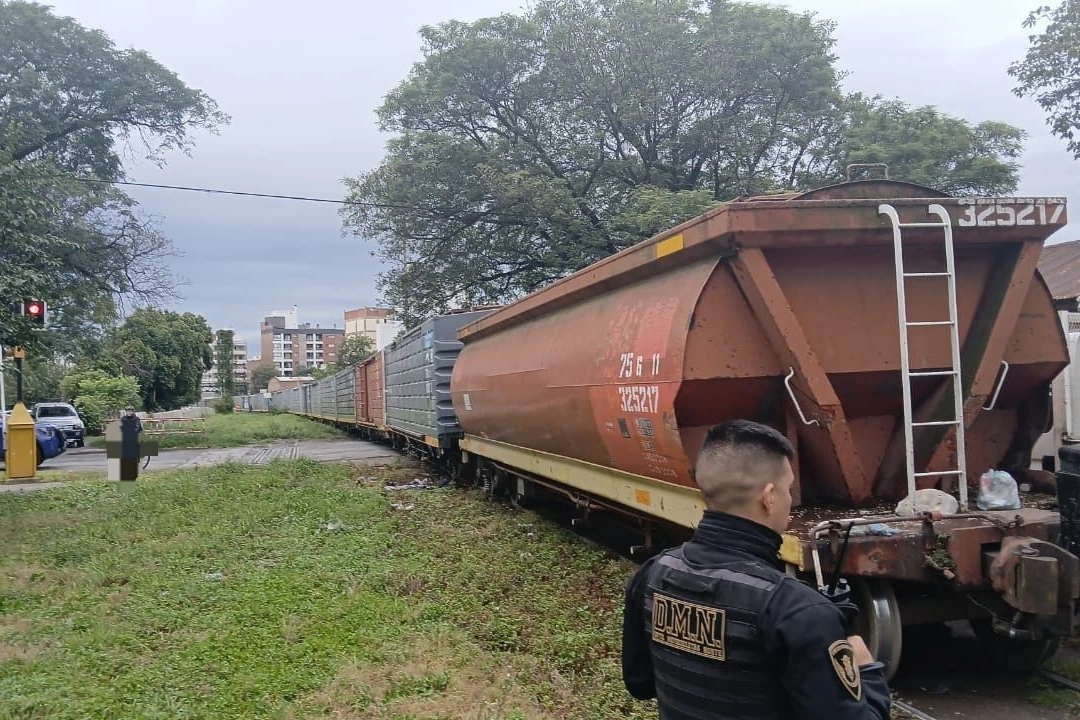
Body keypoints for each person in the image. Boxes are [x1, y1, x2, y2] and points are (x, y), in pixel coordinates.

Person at [621, 419, 891, 720]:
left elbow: (640, 684)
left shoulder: (652, 574)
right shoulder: (796, 610)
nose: (790, 500)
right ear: (769, 496)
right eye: (789, 489)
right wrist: (866, 670)